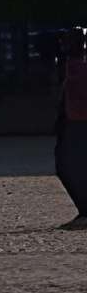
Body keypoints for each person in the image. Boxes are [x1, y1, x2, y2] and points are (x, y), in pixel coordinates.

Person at [57, 27, 87, 230]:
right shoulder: (73, 64)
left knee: (69, 165)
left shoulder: (78, 65)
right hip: (74, 120)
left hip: (79, 121)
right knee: (67, 165)